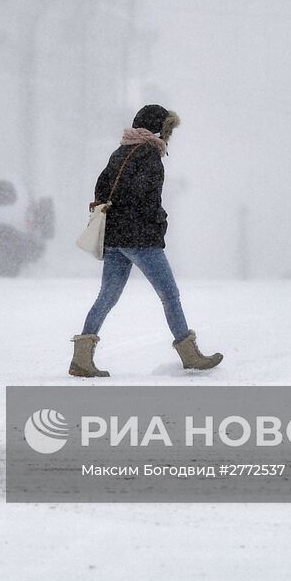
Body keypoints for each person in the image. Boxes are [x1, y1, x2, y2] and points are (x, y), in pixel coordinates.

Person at [69, 104, 223, 377]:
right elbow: (146, 198)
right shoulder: (150, 155)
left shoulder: (121, 152)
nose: (169, 136)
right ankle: (190, 355)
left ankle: (81, 359)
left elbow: (101, 187)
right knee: (169, 294)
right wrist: (159, 222)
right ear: (158, 128)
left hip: (115, 237)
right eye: (168, 130)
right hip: (139, 238)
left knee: (107, 296)